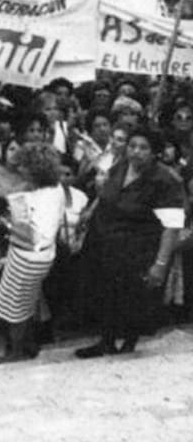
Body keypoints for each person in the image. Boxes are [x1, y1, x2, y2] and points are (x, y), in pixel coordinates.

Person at [77, 128, 186, 358]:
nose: (136, 152)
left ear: (154, 152)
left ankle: (129, 343)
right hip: (106, 243)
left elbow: (172, 226)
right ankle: (105, 341)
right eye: (132, 146)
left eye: (143, 147)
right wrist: (91, 211)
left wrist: (160, 263)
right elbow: (106, 194)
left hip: (139, 248)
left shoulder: (165, 180)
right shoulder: (120, 167)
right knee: (105, 294)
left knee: (133, 298)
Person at [0, 143, 65, 363]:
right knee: (25, 303)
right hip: (42, 254)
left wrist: (8, 224)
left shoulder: (36, 198)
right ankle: (27, 346)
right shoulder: (56, 189)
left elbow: (33, 233)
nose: (20, 169)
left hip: (28, 254)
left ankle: (16, 351)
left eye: (23, 166)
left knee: (14, 307)